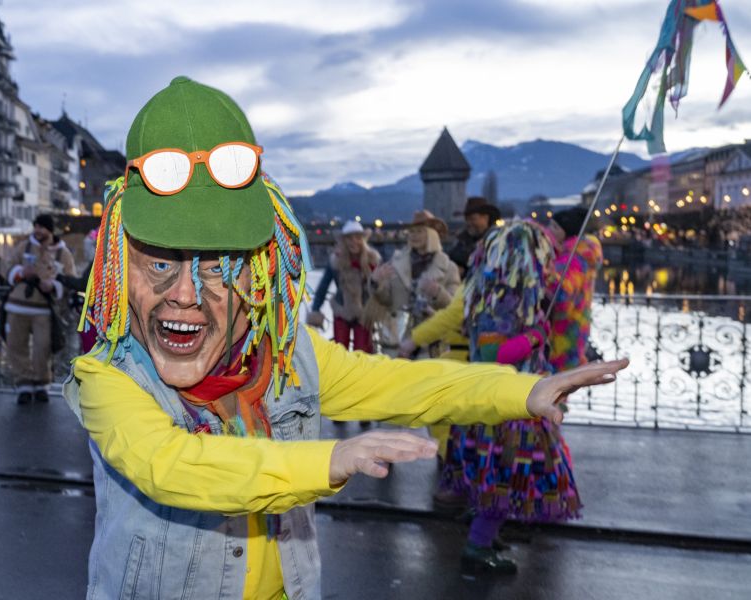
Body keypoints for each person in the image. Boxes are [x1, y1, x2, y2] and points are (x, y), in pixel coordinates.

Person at [63, 76, 627, 599]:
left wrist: (520, 393)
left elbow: (404, 384)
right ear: (117, 268)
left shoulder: (285, 358)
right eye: (160, 265)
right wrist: (330, 460)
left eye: (217, 266)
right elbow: (170, 464)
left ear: (258, 274)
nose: (185, 293)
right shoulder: (108, 378)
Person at [438, 220, 583, 577]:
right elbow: (492, 354)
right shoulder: (506, 299)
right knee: (502, 479)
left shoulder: (492, 290)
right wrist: (535, 337)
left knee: (489, 478)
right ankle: (478, 547)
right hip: (506, 407)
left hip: (490, 400)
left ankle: (484, 534)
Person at [1, 214, 75, 404]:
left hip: (44, 308)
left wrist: (54, 286)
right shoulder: (23, 246)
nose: (38, 231)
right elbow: (6, 267)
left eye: (42, 227)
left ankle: (42, 384)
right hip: (17, 305)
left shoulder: (63, 253)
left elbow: (71, 278)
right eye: (36, 226)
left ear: (50, 231)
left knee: (43, 348)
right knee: (16, 346)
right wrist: (19, 272)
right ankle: (24, 385)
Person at [367, 209, 460, 351]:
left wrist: (437, 294)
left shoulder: (449, 268)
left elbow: (454, 308)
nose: (413, 236)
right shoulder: (397, 263)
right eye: (411, 232)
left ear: (432, 235)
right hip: (399, 340)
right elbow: (387, 301)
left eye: (419, 231)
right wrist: (376, 283)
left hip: (432, 343)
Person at [307, 220, 381, 353]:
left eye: (358, 238)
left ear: (363, 239)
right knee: (339, 352)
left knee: (362, 354)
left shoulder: (372, 261)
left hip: (364, 314)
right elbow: (323, 287)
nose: (354, 242)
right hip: (341, 311)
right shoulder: (335, 262)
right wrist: (315, 309)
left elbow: (379, 289)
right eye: (349, 238)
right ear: (344, 241)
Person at [548, 207, 603, 372]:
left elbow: (561, 295)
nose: (550, 231)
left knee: (554, 386)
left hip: (563, 332)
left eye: (555, 227)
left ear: (566, 232)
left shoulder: (571, 259)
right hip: (576, 325)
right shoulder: (581, 255)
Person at [447, 196, 501, 274]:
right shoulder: (462, 240)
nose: (469, 223)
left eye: (472, 219)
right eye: (467, 219)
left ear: (486, 218)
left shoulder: (496, 240)